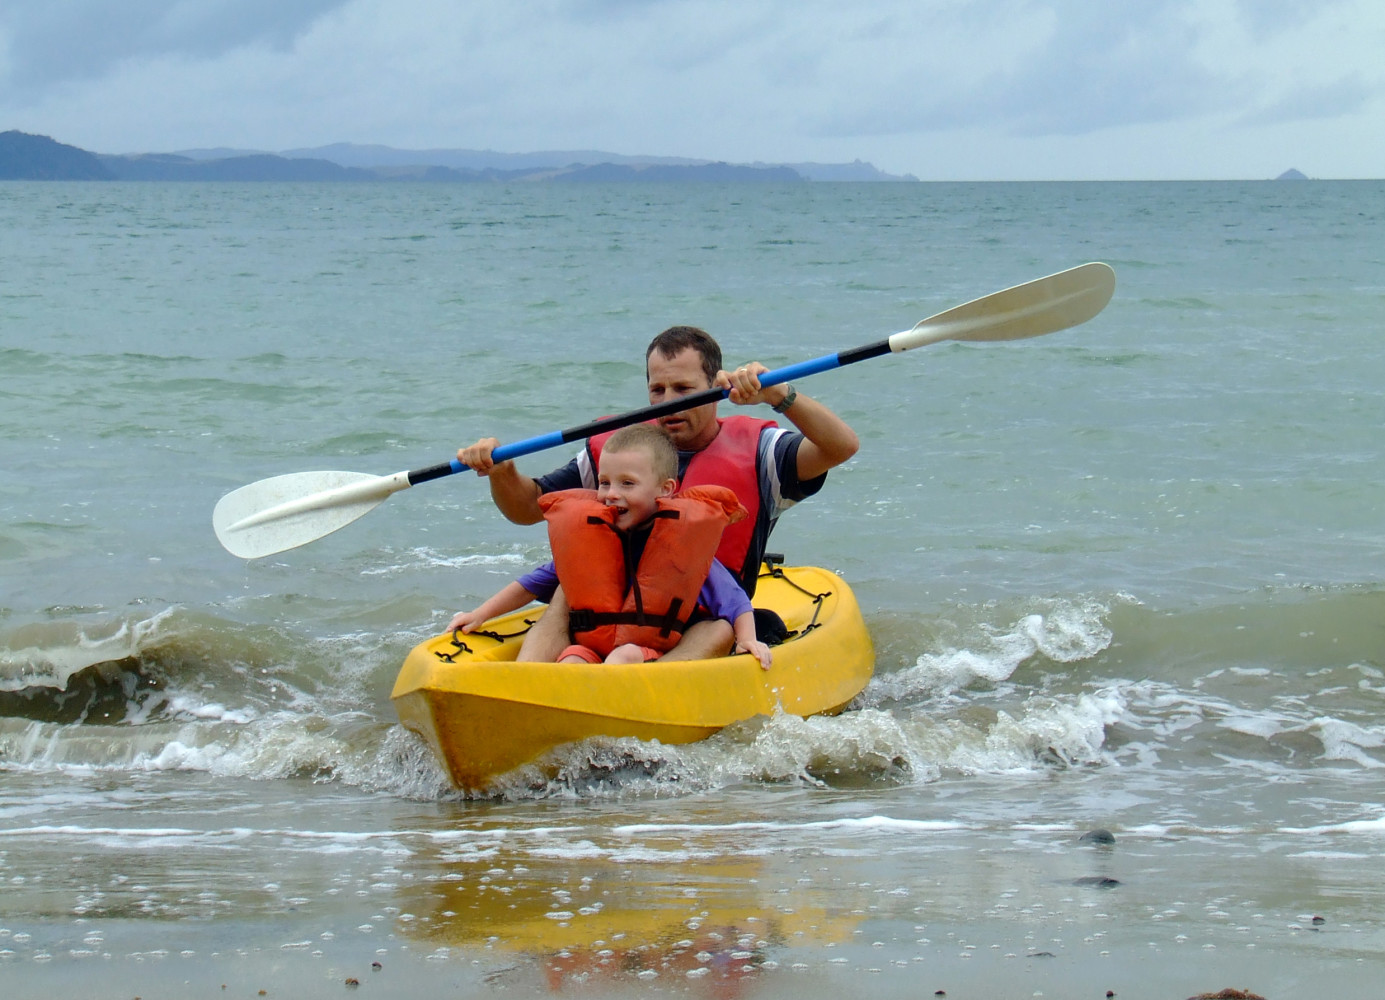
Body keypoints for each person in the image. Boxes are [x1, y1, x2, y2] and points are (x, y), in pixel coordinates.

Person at [458, 325, 859, 661]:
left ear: (715, 386)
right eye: (657, 390)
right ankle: (528, 686)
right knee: (565, 589)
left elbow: (840, 447)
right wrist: (501, 472)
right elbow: (529, 507)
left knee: (721, 627)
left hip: (701, 615)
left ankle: (647, 691)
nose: (667, 403)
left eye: (683, 388)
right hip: (608, 614)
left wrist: (779, 395)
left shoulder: (763, 453)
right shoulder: (620, 453)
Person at [449, 424, 772, 668]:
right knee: (572, 658)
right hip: (595, 646)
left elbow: (736, 602)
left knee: (647, 648)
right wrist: (479, 614)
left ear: (666, 490)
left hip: (650, 652)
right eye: (604, 482)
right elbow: (530, 584)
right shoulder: (594, 536)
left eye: (627, 484)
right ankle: (545, 697)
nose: (610, 494)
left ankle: (626, 698)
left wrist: (748, 641)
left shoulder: (683, 546)